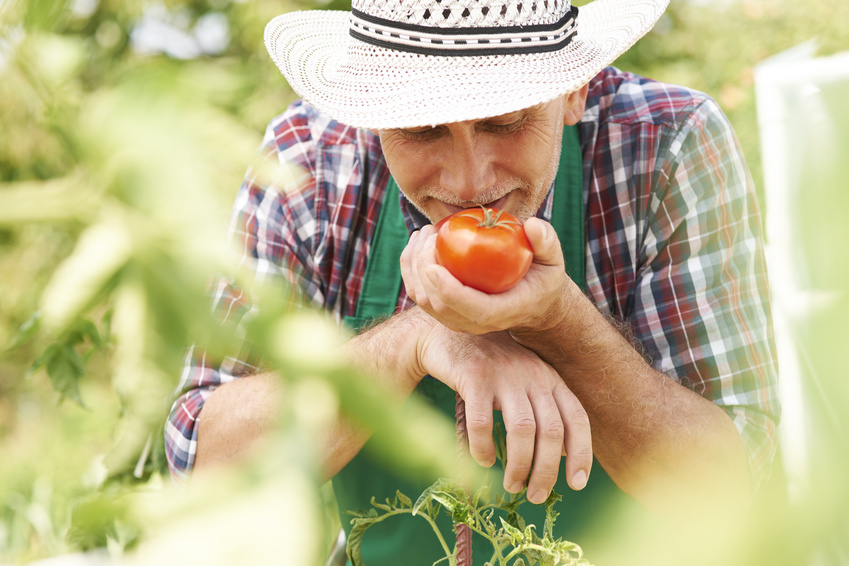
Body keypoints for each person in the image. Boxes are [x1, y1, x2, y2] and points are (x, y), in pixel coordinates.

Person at [165, 0, 780, 561]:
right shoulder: (311, 164)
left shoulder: (664, 146)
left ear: (573, 89)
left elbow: (734, 489)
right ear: (374, 117)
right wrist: (415, 341)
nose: (467, 183)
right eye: (422, 129)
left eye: (504, 123)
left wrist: (559, 321)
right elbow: (202, 465)